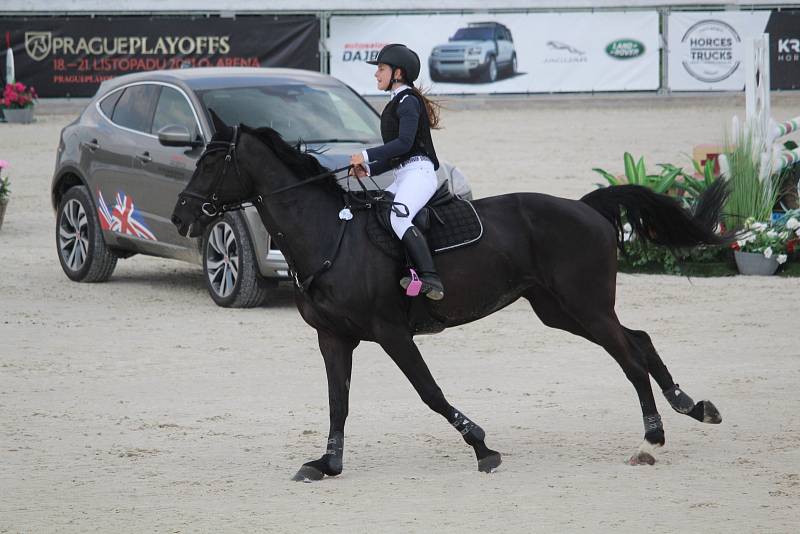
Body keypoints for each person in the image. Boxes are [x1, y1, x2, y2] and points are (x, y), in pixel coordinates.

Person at [350, 43, 445, 300]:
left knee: (398, 217)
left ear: (398, 74)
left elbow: (404, 144)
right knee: (377, 212)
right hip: (404, 173)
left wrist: (366, 155)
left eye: (381, 68)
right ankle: (402, 270)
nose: (376, 74)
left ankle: (430, 277)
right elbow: (397, 156)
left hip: (420, 173)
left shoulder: (408, 102)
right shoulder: (395, 103)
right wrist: (367, 170)